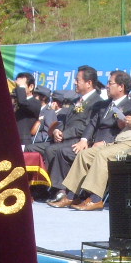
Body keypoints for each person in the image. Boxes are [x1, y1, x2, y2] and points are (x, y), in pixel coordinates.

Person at [52, 68, 131, 211]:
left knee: (103, 155)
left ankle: (95, 198)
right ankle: (71, 195)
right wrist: (124, 123)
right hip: (121, 141)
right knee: (84, 155)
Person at [35, 65, 107, 199]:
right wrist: (57, 130)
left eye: (77, 80)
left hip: (79, 139)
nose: (75, 83)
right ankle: (40, 186)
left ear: (89, 83)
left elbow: (87, 126)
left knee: (53, 150)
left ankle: (58, 188)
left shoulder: (97, 102)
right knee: (32, 148)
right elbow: (64, 120)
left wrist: (65, 134)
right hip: (64, 137)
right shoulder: (75, 101)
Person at [14, 72, 41, 141]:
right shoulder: (15, 102)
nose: (18, 89)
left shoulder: (35, 103)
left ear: (31, 87)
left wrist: (20, 87)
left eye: (20, 86)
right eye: (17, 86)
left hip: (23, 140)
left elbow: (22, 102)